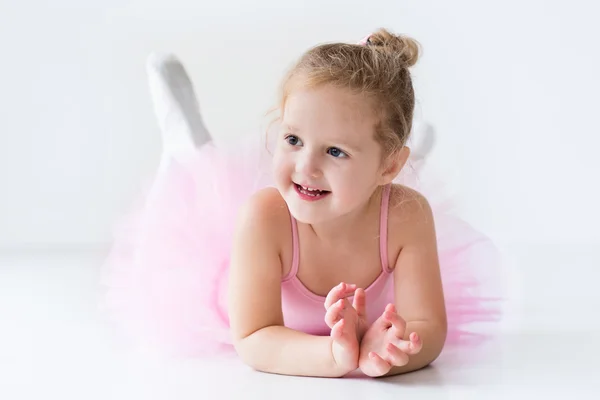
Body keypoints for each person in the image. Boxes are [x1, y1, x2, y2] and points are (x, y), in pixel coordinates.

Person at [100, 28, 502, 379]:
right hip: (224, 283)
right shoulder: (263, 218)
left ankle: (396, 158)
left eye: (335, 151)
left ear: (389, 165)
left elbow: (427, 327)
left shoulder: (407, 218)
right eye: (292, 140)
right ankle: (184, 139)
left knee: (381, 191)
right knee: (191, 184)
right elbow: (254, 336)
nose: (306, 167)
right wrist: (334, 355)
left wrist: (387, 353)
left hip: (377, 185)